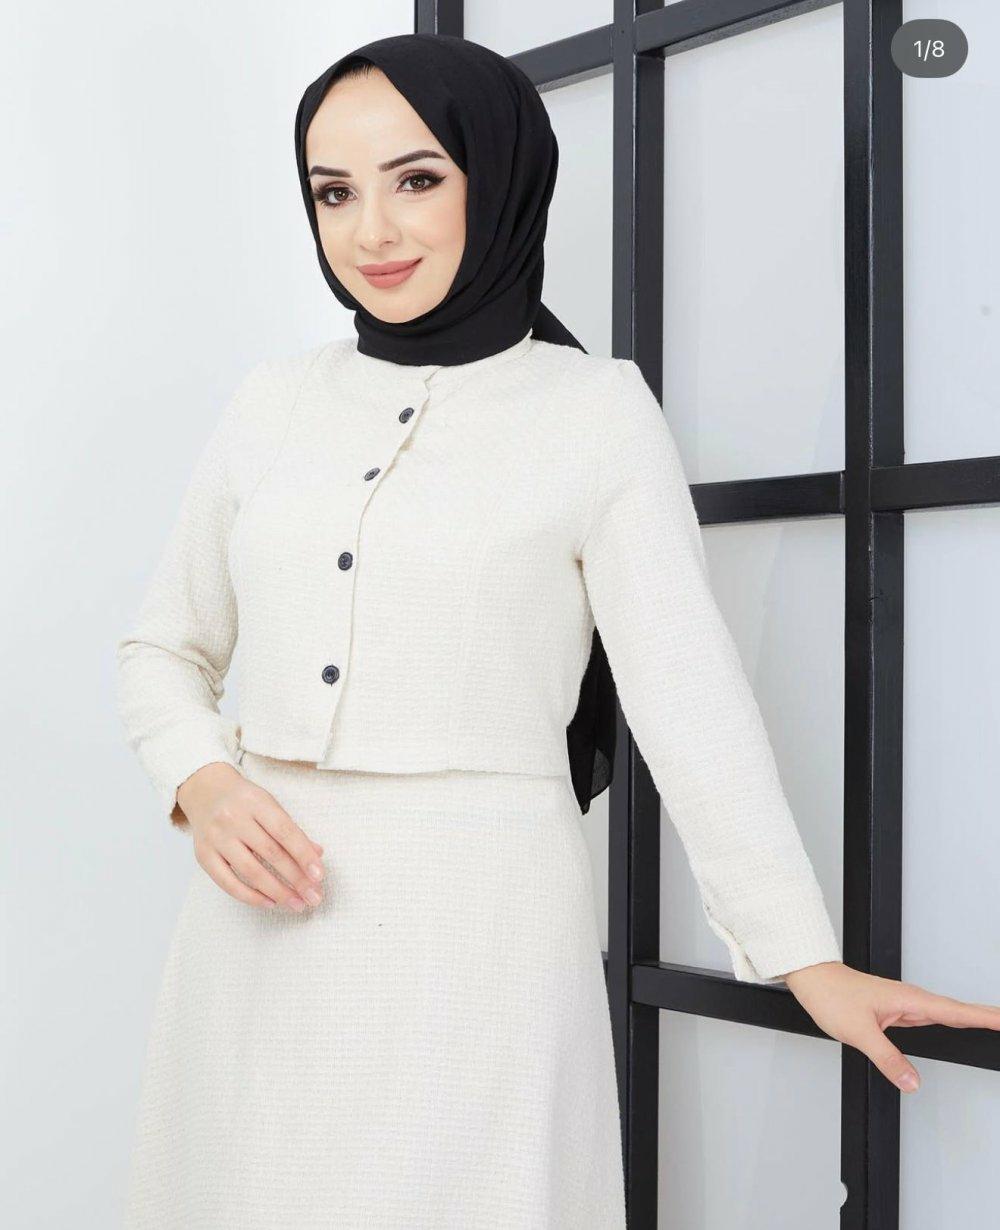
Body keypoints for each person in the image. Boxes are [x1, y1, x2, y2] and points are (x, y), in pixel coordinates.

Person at [115, 32, 1000, 1230]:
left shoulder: (592, 414)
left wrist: (803, 958)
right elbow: (163, 649)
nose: (371, 230)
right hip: (253, 941)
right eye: (334, 192)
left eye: (415, 178)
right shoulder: (271, 403)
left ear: (499, 177)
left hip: (479, 932)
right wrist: (205, 784)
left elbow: (688, 700)